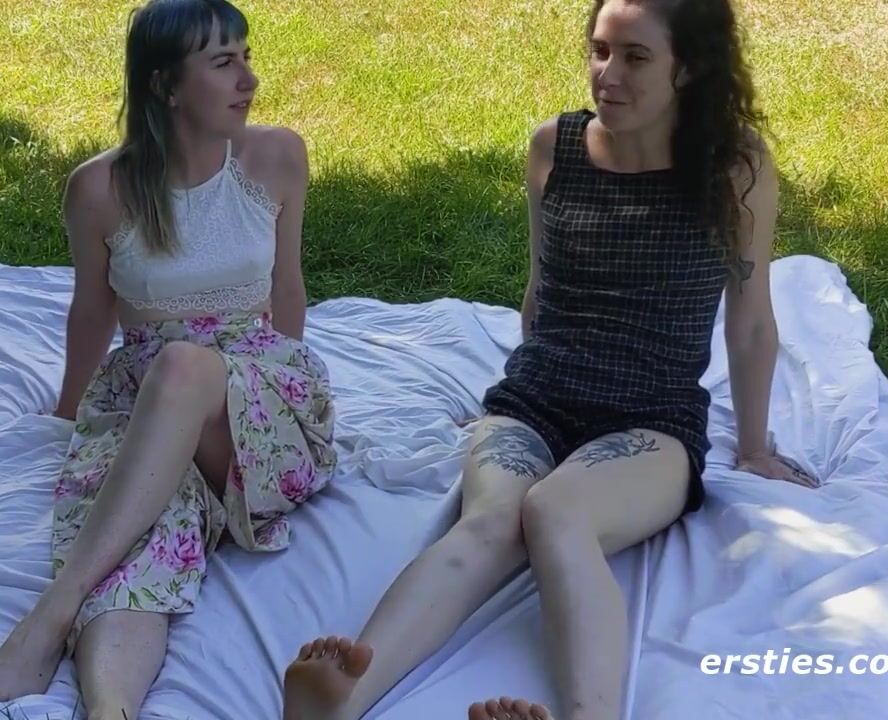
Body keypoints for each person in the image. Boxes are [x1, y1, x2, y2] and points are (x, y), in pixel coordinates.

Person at [281, 0, 818, 719]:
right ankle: (341, 698)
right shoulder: (553, 149)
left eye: (635, 57)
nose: (608, 74)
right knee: (490, 523)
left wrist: (752, 447)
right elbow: (540, 293)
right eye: (600, 50)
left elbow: (749, 322)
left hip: (652, 420)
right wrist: (512, 391)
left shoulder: (734, 168)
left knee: (557, 510)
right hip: (535, 400)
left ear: (688, 68)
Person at [0, 2, 337, 718]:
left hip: (258, 413)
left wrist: (291, 390)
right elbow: (93, 310)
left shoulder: (277, 158)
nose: (249, 79)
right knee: (133, 549)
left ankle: (51, 611)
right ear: (166, 85)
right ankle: (112, 707)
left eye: (246, 57)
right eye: (223, 63)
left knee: (184, 366)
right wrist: (69, 413)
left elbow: (288, 290)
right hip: (146, 404)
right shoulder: (99, 190)